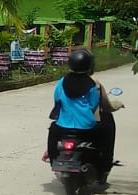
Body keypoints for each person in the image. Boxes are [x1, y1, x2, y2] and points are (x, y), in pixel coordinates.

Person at [46, 48, 118, 180]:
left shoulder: (62, 82)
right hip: (86, 128)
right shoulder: (91, 84)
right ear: (90, 65)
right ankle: (105, 166)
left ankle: (52, 158)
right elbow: (94, 104)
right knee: (107, 130)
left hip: (63, 128)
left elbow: (57, 99)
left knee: (52, 131)